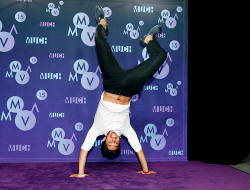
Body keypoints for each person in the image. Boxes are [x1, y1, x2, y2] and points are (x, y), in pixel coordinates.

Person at [70, 5, 167, 178]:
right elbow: (139, 150)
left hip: (113, 82)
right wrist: (145, 170)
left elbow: (84, 150)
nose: (114, 139)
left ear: (104, 141)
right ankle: (149, 40)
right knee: (161, 56)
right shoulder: (127, 130)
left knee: (100, 41)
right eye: (116, 143)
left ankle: (102, 22)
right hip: (131, 86)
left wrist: (80, 174)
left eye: (110, 142)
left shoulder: (96, 129)